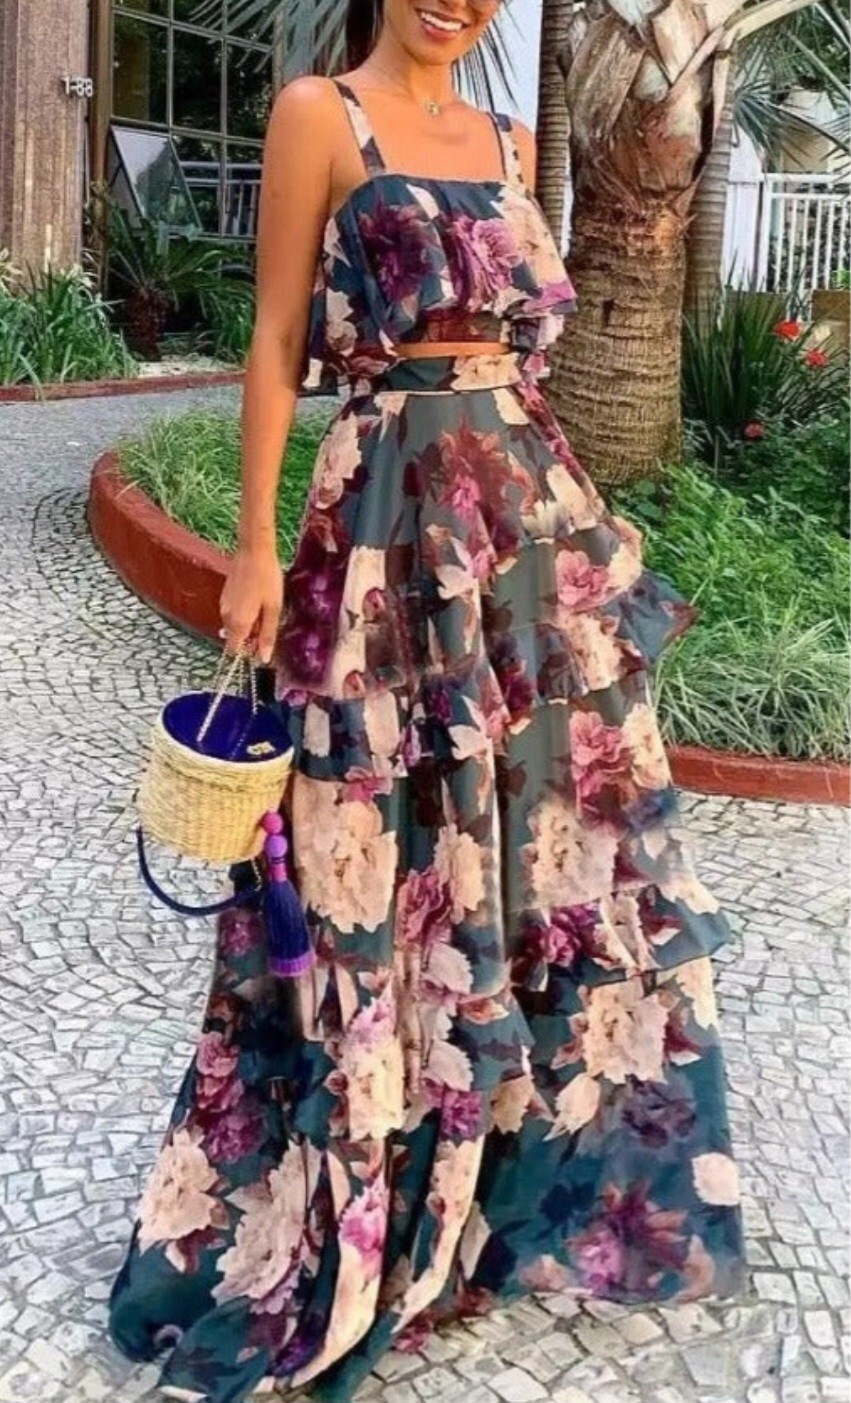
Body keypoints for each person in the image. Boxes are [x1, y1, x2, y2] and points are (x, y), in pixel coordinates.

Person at [107, 2, 748, 1399]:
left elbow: (520, 358)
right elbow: (279, 335)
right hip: (385, 521)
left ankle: (515, 1186)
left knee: (560, 838)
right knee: (372, 840)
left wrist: (577, 527)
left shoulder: (512, 140)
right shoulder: (318, 115)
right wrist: (257, 544)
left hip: (526, 535)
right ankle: (375, 1182)